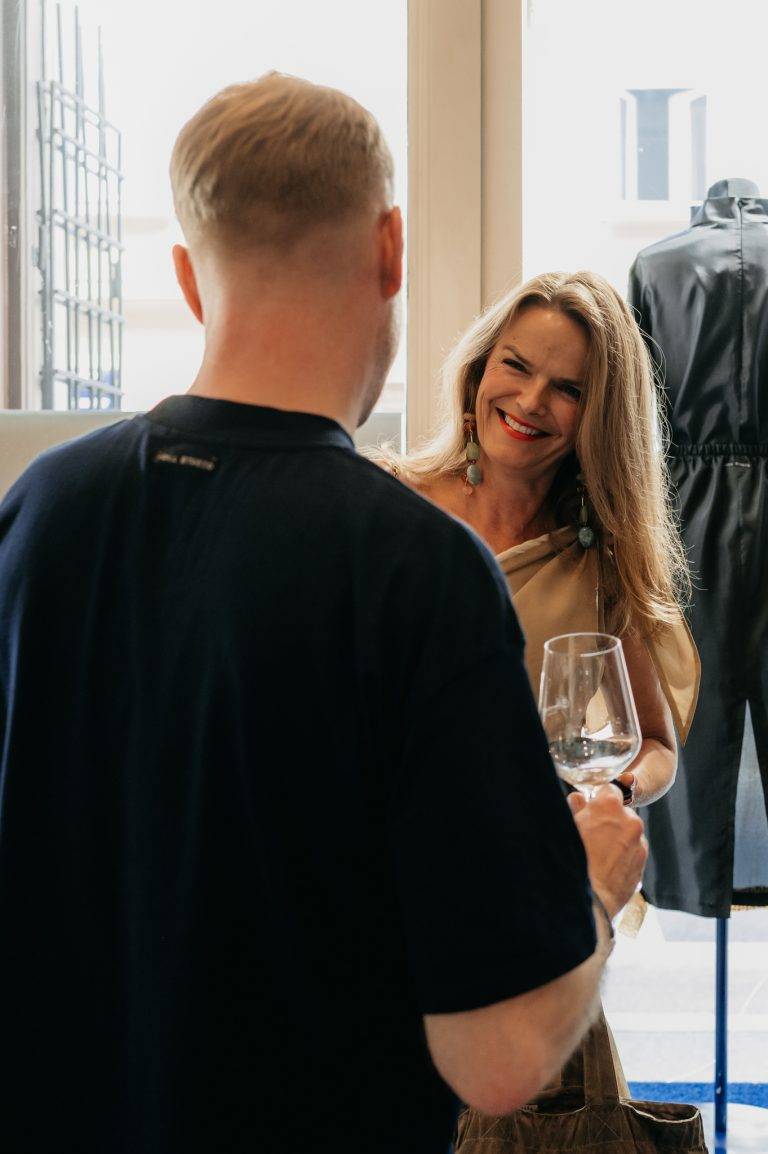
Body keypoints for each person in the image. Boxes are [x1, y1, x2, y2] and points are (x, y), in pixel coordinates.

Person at [0, 77, 645, 1154]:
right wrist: (592, 883)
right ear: (390, 249)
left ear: (187, 276)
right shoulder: (417, 571)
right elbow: (498, 1058)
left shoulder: (37, 512)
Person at [379, 270, 700, 1136]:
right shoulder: (389, 509)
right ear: (480, 366)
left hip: (529, 907)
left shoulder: (603, 562)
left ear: (598, 416)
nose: (529, 401)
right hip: (385, 903)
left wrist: (608, 794)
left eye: (568, 389)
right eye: (516, 366)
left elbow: (657, 746)